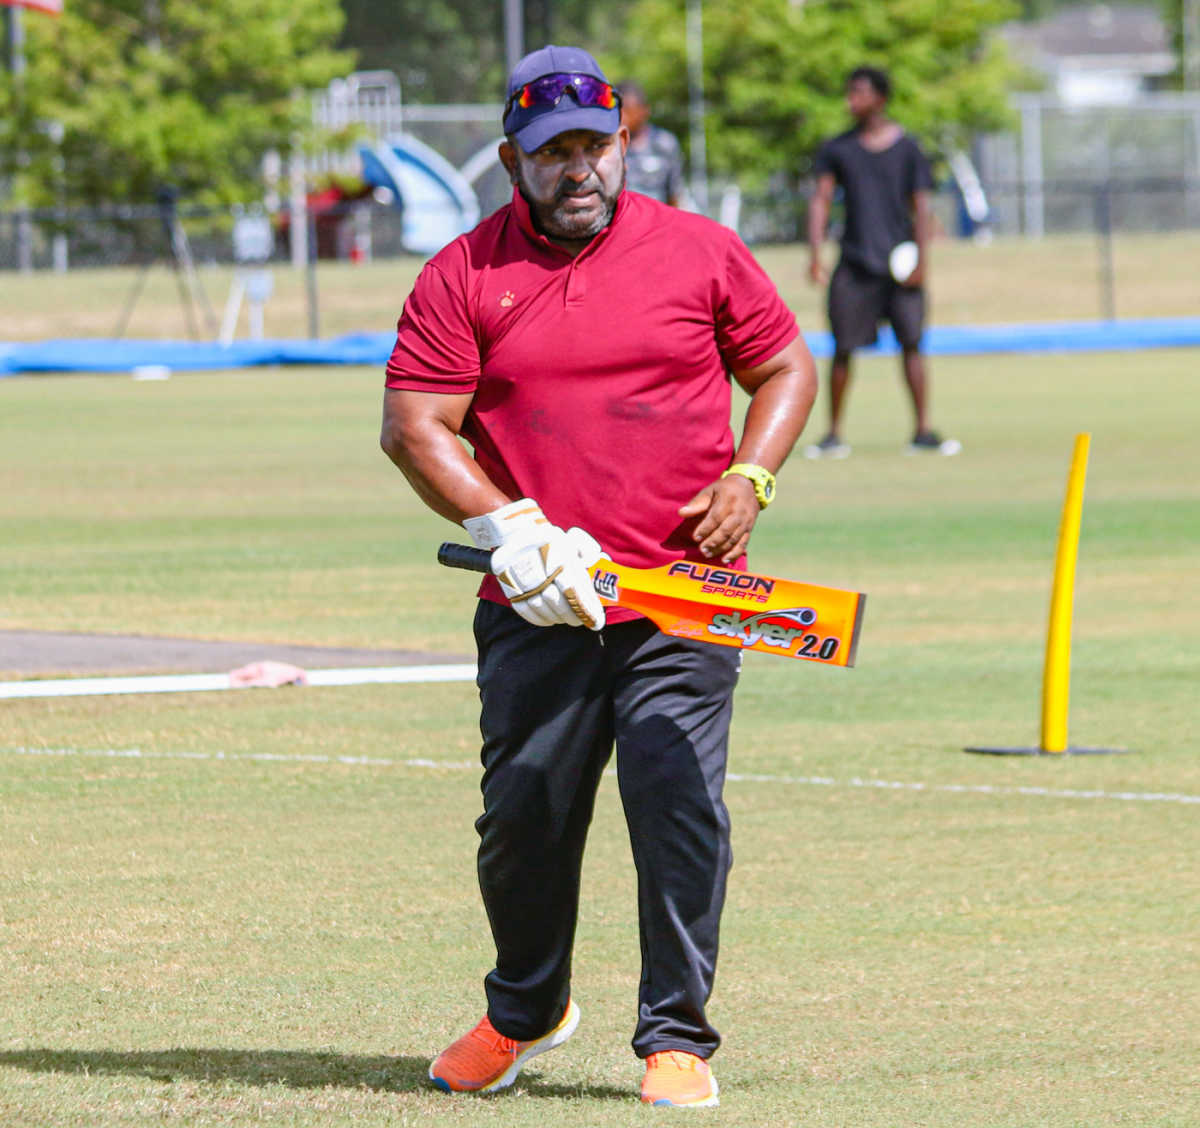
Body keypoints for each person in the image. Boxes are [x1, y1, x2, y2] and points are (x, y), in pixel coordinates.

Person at [380, 43, 816, 1109]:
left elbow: (784, 367)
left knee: (675, 797)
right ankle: (526, 1012)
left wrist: (752, 477)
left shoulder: (703, 251)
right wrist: (511, 532)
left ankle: (677, 1036)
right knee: (522, 815)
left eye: (596, 146)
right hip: (539, 602)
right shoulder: (462, 272)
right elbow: (415, 429)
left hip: (691, 595)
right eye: (552, 154)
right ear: (511, 160)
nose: (579, 170)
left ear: (626, 141)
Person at [805, 65, 960, 458]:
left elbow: (921, 206)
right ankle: (833, 435)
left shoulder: (908, 149)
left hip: (901, 265)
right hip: (855, 264)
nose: (850, 100)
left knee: (912, 345)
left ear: (880, 98)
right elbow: (821, 198)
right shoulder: (837, 148)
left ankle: (922, 431)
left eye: (858, 92)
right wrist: (815, 252)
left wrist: (924, 260)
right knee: (842, 348)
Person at [616, 79, 685, 206]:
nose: (622, 117)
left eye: (627, 111)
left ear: (644, 111)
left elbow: (674, 193)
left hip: (658, 220)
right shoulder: (610, 145)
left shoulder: (665, 144)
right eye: (618, 111)